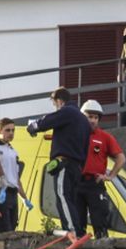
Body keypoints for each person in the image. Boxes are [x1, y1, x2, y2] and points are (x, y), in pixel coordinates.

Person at [27, 88, 91, 236]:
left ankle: (72, 230)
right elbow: (87, 147)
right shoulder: (83, 120)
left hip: (65, 163)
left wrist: (33, 127)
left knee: (63, 195)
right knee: (71, 199)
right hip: (77, 165)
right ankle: (78, 229)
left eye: (55, 104)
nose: (56, 107)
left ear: (59, 101)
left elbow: (46, 121)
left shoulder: (67, 111)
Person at [78, 100, 126, 238]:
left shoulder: (105, 137)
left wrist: (110, 176)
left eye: (95, 117)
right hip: (77, 183)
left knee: (100, 223)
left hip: (95, 183)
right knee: (77, 225)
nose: (92, 120)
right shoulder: (75, 135)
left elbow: (121, 158)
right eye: (89, 117)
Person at [0, 118, 32, 233]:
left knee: (13, 226)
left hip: (12, 193)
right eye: (7, 130)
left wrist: (24, 198)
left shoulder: (13, 152)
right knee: (4, 227)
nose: (11, 133)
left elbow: (16, 177)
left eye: (13, 130)